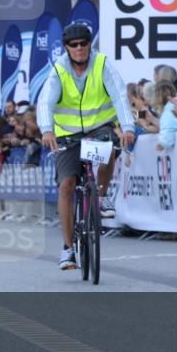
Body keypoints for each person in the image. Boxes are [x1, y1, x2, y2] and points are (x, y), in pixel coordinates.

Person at [37, 22, 135, 269]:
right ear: (67, 48)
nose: (79, 48)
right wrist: (47, 129)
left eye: (83, 43)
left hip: (99, 127)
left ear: (90, 44)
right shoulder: (59, 69)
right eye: (73, 45)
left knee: (109, 150)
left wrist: (129, 127)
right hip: (67, 134)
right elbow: (45, 101)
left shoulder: (102, 64)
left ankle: (100, 197)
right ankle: (68, 249)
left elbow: (120, 97)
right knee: (67, 185)